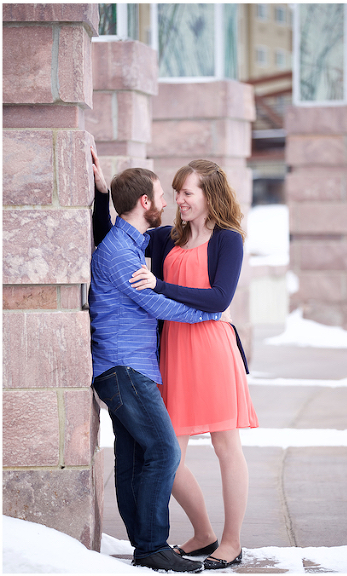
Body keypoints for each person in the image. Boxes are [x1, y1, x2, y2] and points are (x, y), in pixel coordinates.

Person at [92, 152, 258, 571]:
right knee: (170, 453)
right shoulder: (167, 237)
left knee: (225, 445)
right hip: (173, 350)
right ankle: (203, 532)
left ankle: (232, 541)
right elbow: (115, 238)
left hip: (212, 346)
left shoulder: (228, 239)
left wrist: (161, 283)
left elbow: (220, 299)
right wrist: (101, 194)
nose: (179, 200)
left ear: (209, 196)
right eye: (177, 192)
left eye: (187, 192)